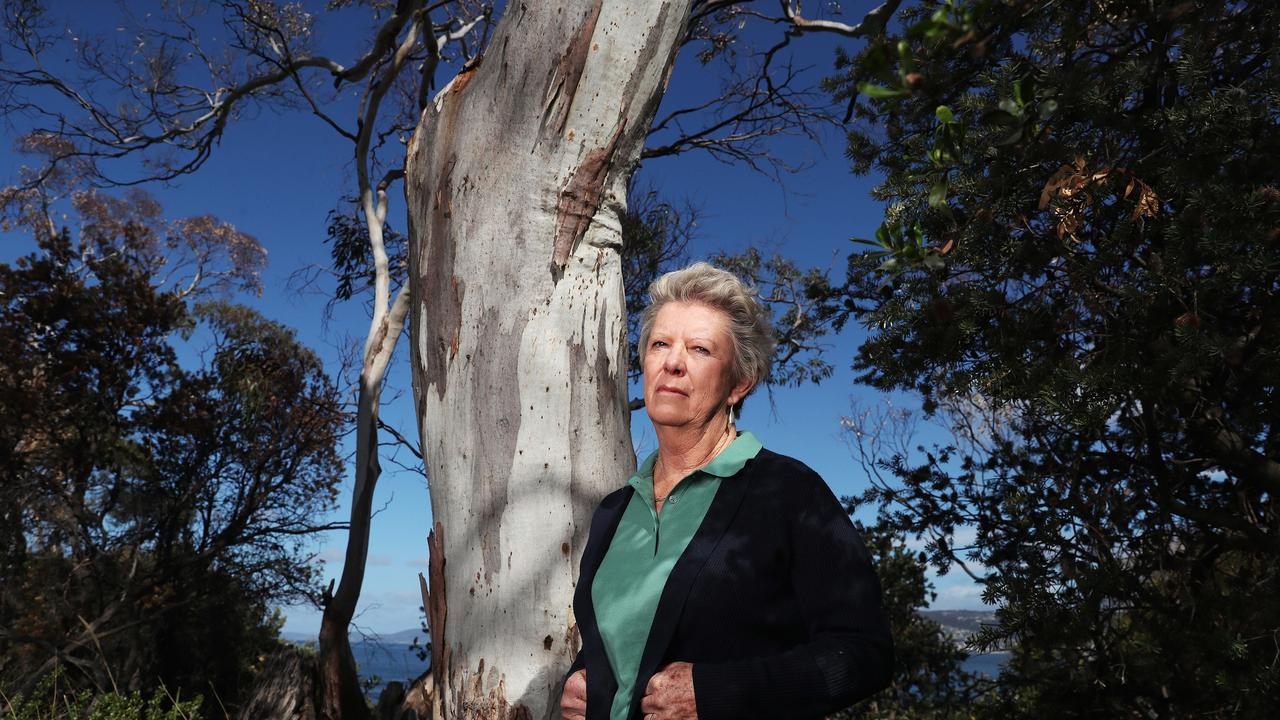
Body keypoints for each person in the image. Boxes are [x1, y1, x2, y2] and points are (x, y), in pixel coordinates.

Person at [559, 263, 893, 720]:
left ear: (739, 383)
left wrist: (719, 693)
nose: (672, 362)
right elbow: (625, 646)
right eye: (660, 344)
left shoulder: (788, 493)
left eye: (699, 349)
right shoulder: (614, 511)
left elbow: (865, 653)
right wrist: (584, 679)